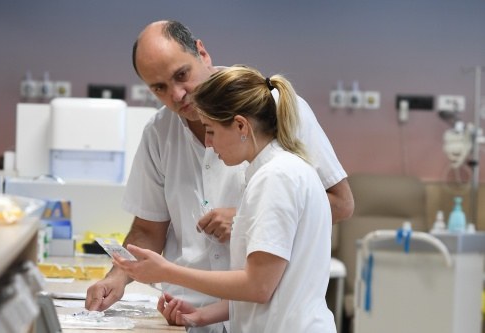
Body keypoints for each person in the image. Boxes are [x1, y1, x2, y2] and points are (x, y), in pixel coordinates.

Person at [86, 20, 353, 332]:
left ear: (202, 52)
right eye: (159, 88)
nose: (177, 95)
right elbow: (149, 227)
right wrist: (123, 277)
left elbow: (260, 285)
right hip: (216, 313)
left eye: (181, 75)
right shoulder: (164, 133)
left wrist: (242, 220)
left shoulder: (276, 167)